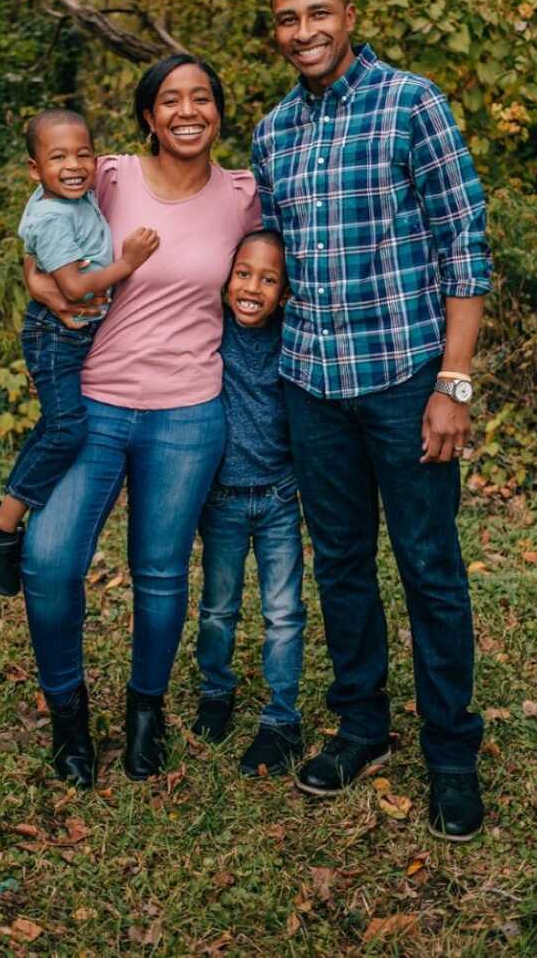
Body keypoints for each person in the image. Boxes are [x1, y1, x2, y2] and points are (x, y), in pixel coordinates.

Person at [252, 0, 492, 841]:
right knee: (341, 564)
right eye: (287, 18)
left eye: (319, 12)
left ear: (350, 15)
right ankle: (362, 727)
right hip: (311, 383)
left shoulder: (409, 102)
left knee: (429, 565)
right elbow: (270, 262)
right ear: (275, 32)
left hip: (402, 380)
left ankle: (452, 755)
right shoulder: (273, 134)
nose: (304, 29)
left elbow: (464, 239)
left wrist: (452, 382)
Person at [20, 55, 261, 788]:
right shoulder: (111, 176)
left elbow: (271, 279)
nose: (188, 111)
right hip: (94, 400)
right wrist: (39, 284)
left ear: (218, 110)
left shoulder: (245, 197)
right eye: (170, 100)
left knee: (160, 573)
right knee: (50, 561)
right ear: (149, 116)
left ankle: (144, 716)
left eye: (202, 98)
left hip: (189, 412)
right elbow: (42, 230)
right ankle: (69, 719)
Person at [0, 110, 159, 596]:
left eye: (82, 154)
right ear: (34, 169)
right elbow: (72, 286)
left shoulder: (72, 192)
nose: (74, 165)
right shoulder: (52, 213)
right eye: (59, 157)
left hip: (72, 334)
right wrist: (128, 263)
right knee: (68, 429)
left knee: (56, 423)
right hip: (56, 333)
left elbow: (39, 246)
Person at [193, 229, 306, 777]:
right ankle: (216, 691)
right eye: (243, 274)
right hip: (221, 499)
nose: (252, 287)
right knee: (218, 609)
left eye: (268, 279)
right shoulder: (208, 332)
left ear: (284, 293)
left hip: (281, 496)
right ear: (226, 277)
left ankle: (283, 717)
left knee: (283, 614)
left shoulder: (294, 340)